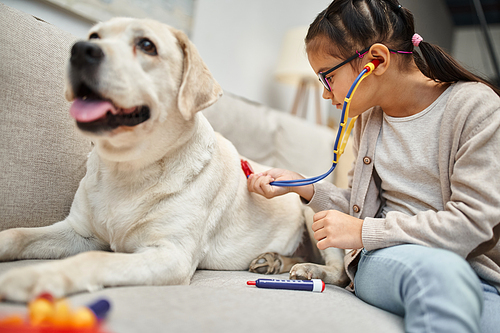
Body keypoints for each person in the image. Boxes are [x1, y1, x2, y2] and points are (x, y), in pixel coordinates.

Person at [247, 1, 500, 332]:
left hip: (471, 271)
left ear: (376, 61)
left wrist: (361, 230)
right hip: (384, 259)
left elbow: (470, 223)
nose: (326, 94)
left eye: (328, 77)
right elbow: (360, 205)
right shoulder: (369, 119)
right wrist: (302, 185)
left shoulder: (477, 108)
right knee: (441, 274)